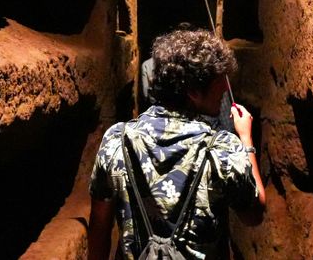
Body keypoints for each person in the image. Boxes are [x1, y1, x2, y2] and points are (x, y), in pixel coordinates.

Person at [88, 29, 266, 259]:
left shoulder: (117, 139)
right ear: (193, 92)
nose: (225, 88)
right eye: (218, 81)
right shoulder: (221, 149)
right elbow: (254, 214)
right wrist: (246, 140)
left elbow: (99, 227)